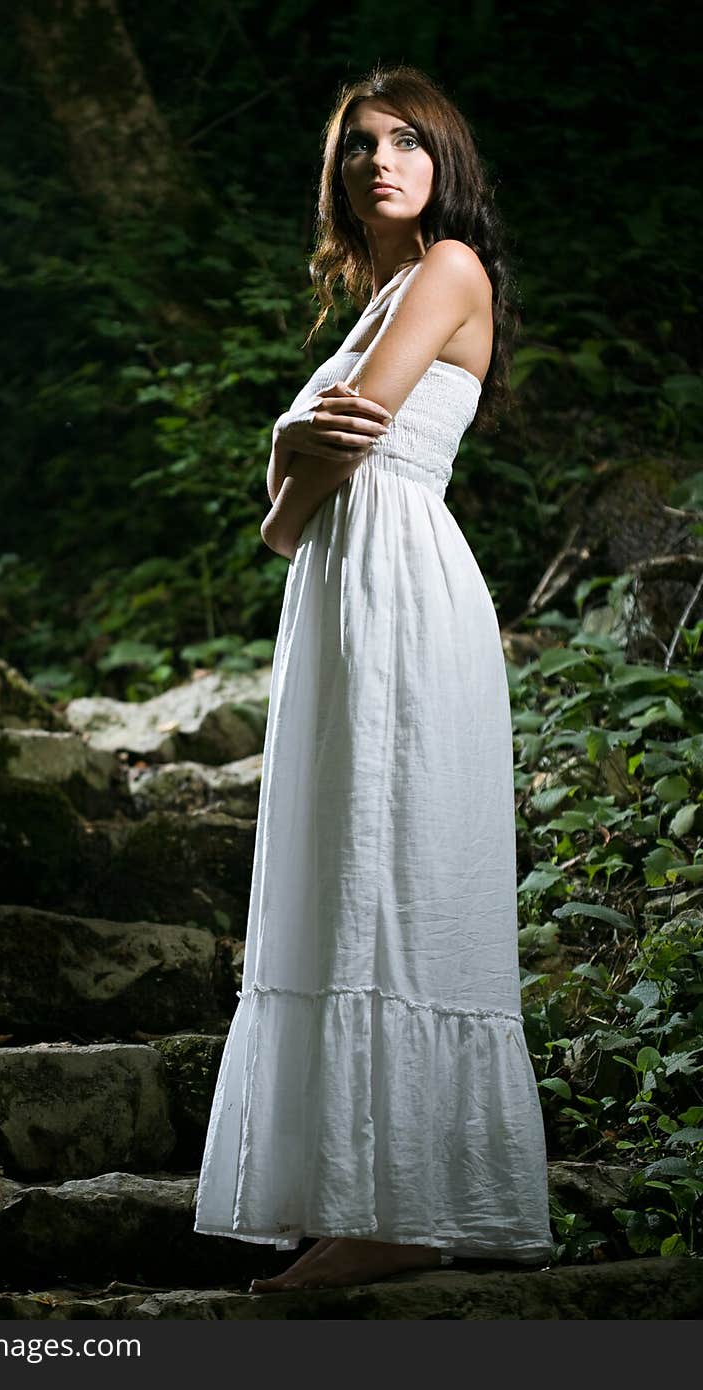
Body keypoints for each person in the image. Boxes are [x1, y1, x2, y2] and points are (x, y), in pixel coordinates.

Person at [192, 61, 554, 1293]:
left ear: (445, 161)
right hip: (344, 583)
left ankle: (406, 1208)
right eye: (359, 146)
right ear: (338, 179)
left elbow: (329, 461)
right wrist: (294, 453)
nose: (382, 161)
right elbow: (286, 516)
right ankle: (365, 1194)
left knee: (393, 862)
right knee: (344, 861)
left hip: (399, 583)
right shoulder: (384, 289)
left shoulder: (449, 269)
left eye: (407, 140)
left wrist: (289, 452)